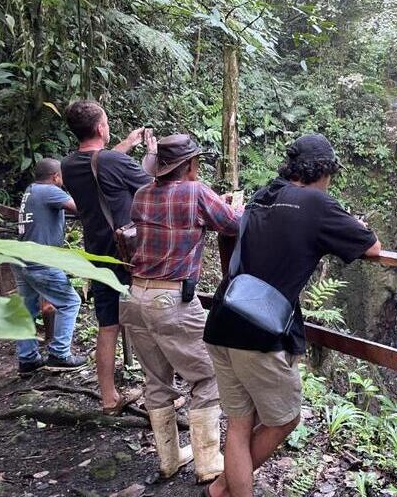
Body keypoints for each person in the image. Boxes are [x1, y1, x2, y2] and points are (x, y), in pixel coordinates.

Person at [202, 134, 382, 497]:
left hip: (222, 319)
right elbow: (373, 248)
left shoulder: (262, 195)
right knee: (285, 419)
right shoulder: (316, 202)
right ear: (324, 171)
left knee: (239, 424)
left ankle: (222, 489)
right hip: (259, 332)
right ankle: (225, 487)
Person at [124, 134, 239, 483]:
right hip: (170, 299)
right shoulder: (196, 192)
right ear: (189, 165)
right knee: (208, 375)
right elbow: (232, 223)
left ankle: (170, 460)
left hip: (134, 296)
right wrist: (232, 205)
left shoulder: (142, 195)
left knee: (156, 379)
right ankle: (207, 464)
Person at [61, 100, 155, 415]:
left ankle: (109, 397)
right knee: (147, 319)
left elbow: (99, 162)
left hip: (96, 253)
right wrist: (150, 156)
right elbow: (153, 186)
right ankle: (159, 393)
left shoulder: (68, 165)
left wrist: (128, 143)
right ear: (102, 127)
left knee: (108, 325)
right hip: (128, 253)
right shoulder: (115, 162)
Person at [14, 158, 86, 375]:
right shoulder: (49, 191)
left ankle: (27, 359)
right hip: (40, 261)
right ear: (56, 177)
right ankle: (59, 354)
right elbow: (80, 209)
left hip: (21, 259)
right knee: (70, 302)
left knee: (27, 310)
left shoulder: (31, 189)